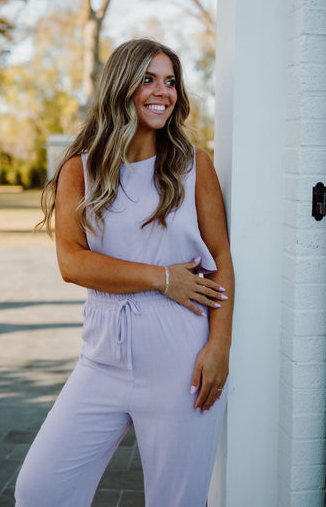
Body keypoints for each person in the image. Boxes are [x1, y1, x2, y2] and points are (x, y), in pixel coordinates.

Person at [15, 38, 234, 507]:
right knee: (40, 491)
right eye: (149, 79)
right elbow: (72, 263)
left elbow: (220, 259)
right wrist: (162, 277)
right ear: (121, 86)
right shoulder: (81, 170)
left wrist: (219, 346)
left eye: (171, 81)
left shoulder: (194, 166)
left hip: (182, 363)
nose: (163, 92)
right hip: (101, 360)